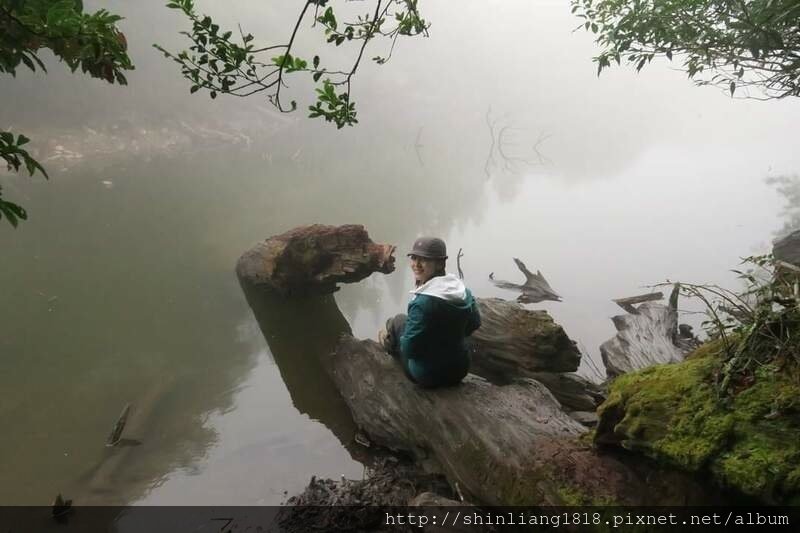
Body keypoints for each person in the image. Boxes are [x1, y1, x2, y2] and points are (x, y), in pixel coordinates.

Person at [379, 237, 481, 388]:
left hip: (429, 375)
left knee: (396, 322)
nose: (416, 265)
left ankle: (386, 341)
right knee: (403, 322)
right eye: (414, 258)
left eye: (424, 260)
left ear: (440, 263)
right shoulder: (462, 292)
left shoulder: (422, 303)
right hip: (460, 369)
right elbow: (474, 323)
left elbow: (409, 349)